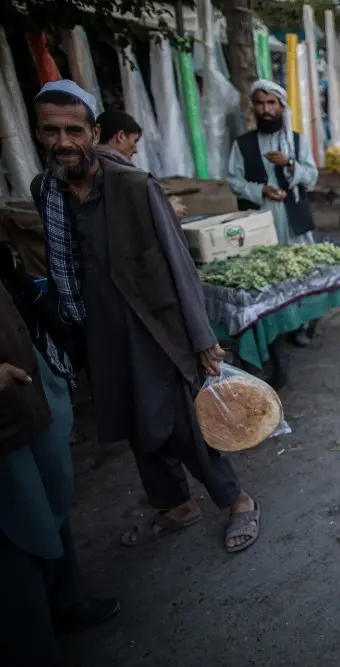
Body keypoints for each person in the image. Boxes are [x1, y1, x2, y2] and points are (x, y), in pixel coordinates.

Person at [31, 80, 260, 554]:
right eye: (50, 130)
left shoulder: (133, 185)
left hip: (154, 326)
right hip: (97, 329)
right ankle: (175, 505)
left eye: (74, 129)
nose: (63, 141)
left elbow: (178, 262)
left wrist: (202, 338)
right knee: (133, 421)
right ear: (38, 133)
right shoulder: (46, 190)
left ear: (94, 132)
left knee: (182, 419)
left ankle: (237, 500)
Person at [0, 244, 120, 665]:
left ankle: (65, 602)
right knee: (16, 530)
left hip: (27, 390)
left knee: (51, 496)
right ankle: (34, 644)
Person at [228, 80, 320, 347]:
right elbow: (234, 181)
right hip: (260, 218)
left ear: (281, 106)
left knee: (298, 272)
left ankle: (299, 324)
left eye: (271, 103)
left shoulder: (297, 141)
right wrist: (262, 190)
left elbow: (312, 177)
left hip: (292, 218)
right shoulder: (242, 144)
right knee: (266, 274)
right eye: (260, 103)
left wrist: (289, 163)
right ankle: (271, 329)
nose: (266, 109)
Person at [95, 109, 187, 218]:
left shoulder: (85, 169)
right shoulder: (127, 177)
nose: (136, 150)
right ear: (121, 136)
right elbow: (131, 221)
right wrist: (168, 211)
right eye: (135, 141)